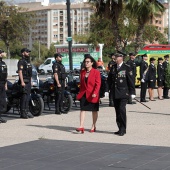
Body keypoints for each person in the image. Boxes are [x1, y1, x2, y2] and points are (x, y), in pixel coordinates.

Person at [108, 53, 135, 136]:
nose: (115, 58)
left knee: (121, 109)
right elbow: (109, 80)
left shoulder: (127, 67)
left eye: (117, 57)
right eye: (115, 57)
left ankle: (123, 128)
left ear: (121, 58)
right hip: (115, 92)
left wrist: (132, 92)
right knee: (117, 111)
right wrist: (106, 90)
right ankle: (120, 128)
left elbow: (131, 80)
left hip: (124, 92)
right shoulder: (113, 67)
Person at [76, 55, 101, 133]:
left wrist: (95, 93)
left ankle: (93, 125)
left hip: (93, 94)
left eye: (88, 62)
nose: (86, 63)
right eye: (85, 62)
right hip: (84, 93)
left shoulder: (96, 72)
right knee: (82, 109)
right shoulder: (83, 72)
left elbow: (98, 84)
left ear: (92, 63)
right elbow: (81, 83)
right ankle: (81, 126)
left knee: (94, 110)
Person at [18, 48, 34, 119]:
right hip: (24, 81)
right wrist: (22, 82)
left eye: (28, 52)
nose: (28, 53)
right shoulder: (21, 61)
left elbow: (30, 74)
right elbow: (20, 72)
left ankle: (27, 111)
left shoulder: (28, 62)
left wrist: (31, 81)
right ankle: (22, 113)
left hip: (28, 81)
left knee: (28, 97)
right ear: (23, 53)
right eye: (27, 52)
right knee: (24, 97)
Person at [0, 49, 7, 123]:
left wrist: (6, 84)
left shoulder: (3, 63)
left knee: (2, 100)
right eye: (1, 53)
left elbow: (5, 75)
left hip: (2, 83)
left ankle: (0, 116)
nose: (3, 54)